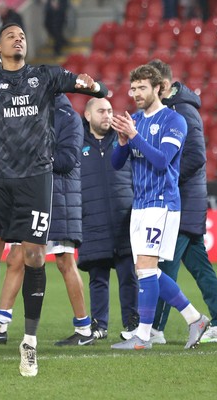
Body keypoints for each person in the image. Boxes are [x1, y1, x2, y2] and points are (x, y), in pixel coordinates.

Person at [0, 22, 107, 376]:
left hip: (35, 179)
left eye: (23, 35)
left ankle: (28, 344)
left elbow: (96, 89)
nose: (19, 38)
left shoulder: (44, 76)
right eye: (11, 35)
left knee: (33, 255)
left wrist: (94, 85)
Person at [0, 93, 95, 346]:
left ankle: (84, 328)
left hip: (59, 197)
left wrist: (31, 157)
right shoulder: (34, 112)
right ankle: (0, 325)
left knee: (65, 261)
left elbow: (68, 160)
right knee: (15, 258)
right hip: (33, 195)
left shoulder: (69, 118)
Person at [110, 64, 209, 350]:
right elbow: (117, 163)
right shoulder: (136, 121)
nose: (136, 93)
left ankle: (143, 336)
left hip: (162, 203)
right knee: (147, 270)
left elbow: (162, 160)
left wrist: (135, 136)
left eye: (142, 87)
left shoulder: (174, 121)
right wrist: (121, 142)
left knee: (146, 267)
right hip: (140, 203)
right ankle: (194, 319)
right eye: (133, 88)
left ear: (158, 89)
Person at [146, 59, 217, 344]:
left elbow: (196, 156)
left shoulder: (182, 111)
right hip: (185, 201)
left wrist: (166, 178)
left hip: (183, 202)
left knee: (163, 266)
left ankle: (155, 329)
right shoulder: (173, 109)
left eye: (149, 87)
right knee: (200, 267)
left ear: (162, 86)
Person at [77, 97, 139, 341]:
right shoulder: (75, 144)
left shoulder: (124, 140)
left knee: (128, 276)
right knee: (98, 277)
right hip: (92, 219)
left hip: (124, 218)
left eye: (110, 110)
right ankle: (98, 325)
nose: (107, 114)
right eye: (101, 111)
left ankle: (132, 324)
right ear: (88, 115)